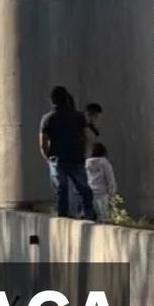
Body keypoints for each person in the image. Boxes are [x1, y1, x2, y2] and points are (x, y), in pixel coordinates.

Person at [39, 86, 96, 220]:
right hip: (76, 157)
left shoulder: (47, 118)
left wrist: (49, 158)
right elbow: (88, 136)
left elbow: (43, 143)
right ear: (66, 98)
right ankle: (88, 214)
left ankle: (62, 217)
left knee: (61, 190)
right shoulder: (78, 117)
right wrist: (86, 153)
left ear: (52, 101)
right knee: (83, 189)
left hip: (57, 159)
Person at [85, 142, 117, 221]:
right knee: (104, 216)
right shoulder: (104, 163)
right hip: (102, 192)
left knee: (92, 217)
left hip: (89, 192)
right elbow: (110, 178)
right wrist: (112, 191)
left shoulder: (86, 163)